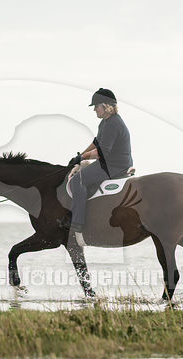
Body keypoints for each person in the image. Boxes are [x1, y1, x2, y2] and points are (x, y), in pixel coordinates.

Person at [61, 88, 133, 246]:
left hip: (115, 165)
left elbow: (102, 152)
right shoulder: (105, 122)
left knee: (77, 181)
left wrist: (83, 157)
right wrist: (80, 154)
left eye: (96, 106)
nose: (94, 109)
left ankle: (77, 223)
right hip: (110, 162)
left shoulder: (114, 124)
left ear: (106, 106)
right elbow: (96, 142)